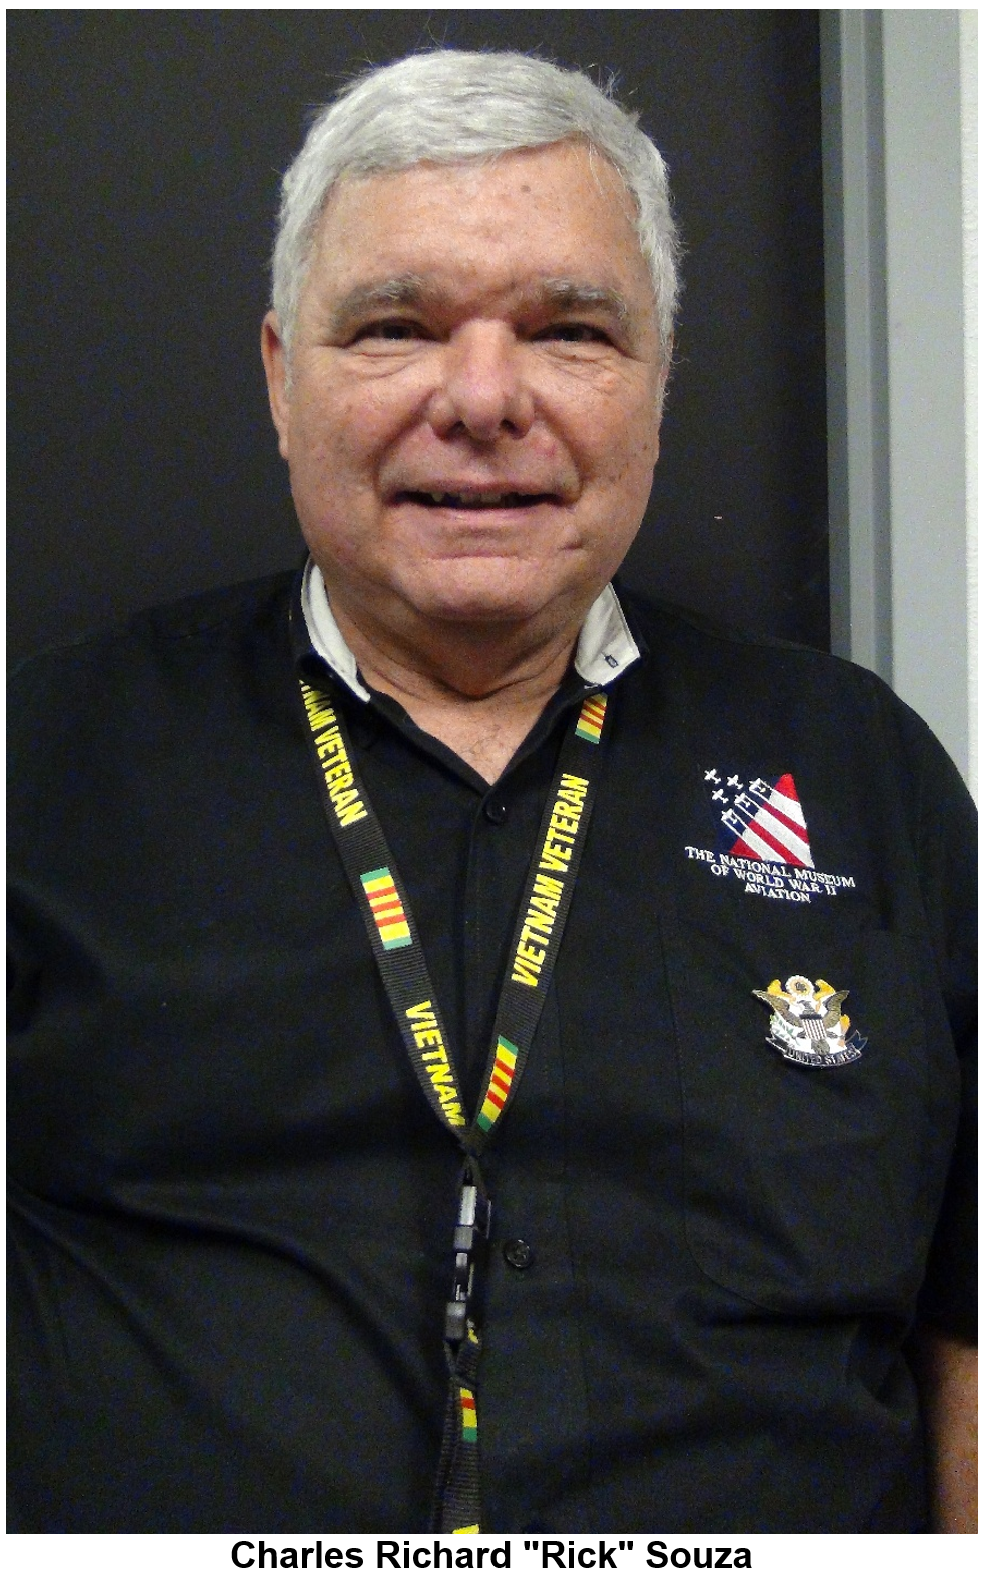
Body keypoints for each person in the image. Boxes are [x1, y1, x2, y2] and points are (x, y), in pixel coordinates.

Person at [7, 50, 976, 1535]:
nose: (480, 398)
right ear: (280, 378)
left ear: (657, 382)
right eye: (396, 327)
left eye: (569, 331)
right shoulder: (49, 764)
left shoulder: (866, 775)